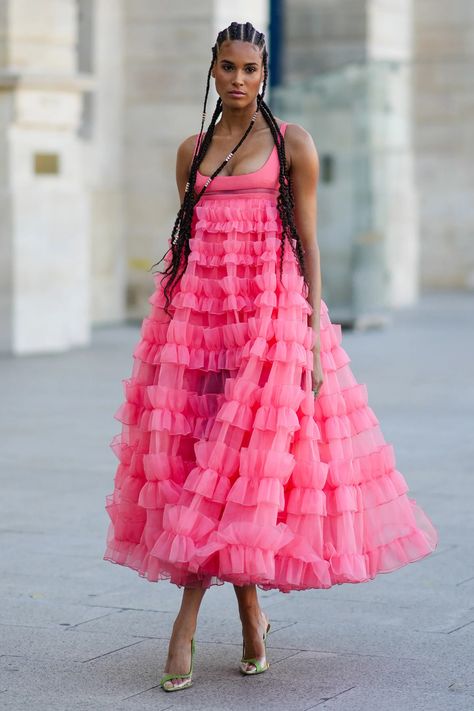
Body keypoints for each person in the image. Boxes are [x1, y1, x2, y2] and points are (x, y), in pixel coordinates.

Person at [103, 21, 439, 692]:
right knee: (203, 467)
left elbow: (308, 245)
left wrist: (313, 335)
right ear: (212, 69)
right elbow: (189, 243)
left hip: (270, 323)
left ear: (264, 74)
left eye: (250, 69)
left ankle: (185, 619)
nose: (238, 79)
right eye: (227, 67)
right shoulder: (191, 150)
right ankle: (252, 611)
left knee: (245, 467)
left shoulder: (292, 145)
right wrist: (169, 329)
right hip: (200, 326)